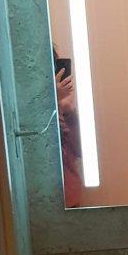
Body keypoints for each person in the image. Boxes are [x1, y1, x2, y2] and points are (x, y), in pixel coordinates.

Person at [53, 47, 83, 207]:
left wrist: (69, 111)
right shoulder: (30, 113)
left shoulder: (65, 109)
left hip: (71, 198)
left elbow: (79, 150)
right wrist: (52, 102)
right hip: (46, 200)